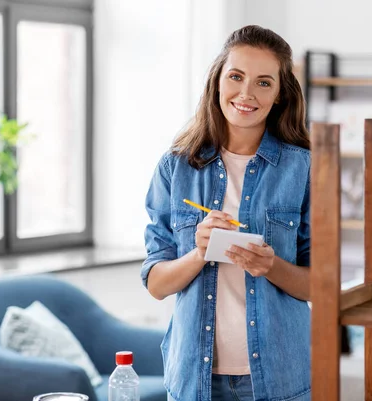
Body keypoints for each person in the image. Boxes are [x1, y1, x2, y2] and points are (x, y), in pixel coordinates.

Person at [141, 25, 311, 401]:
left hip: (281, 379)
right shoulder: (175, 168)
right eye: (236, 76)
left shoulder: (304, 170)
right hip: (194, 381)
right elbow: (156, 284)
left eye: (264, 82)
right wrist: (200, 253)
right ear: (217, 81)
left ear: (280, 94)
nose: (246, 93)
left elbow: (322, 284)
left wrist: (272, 267)